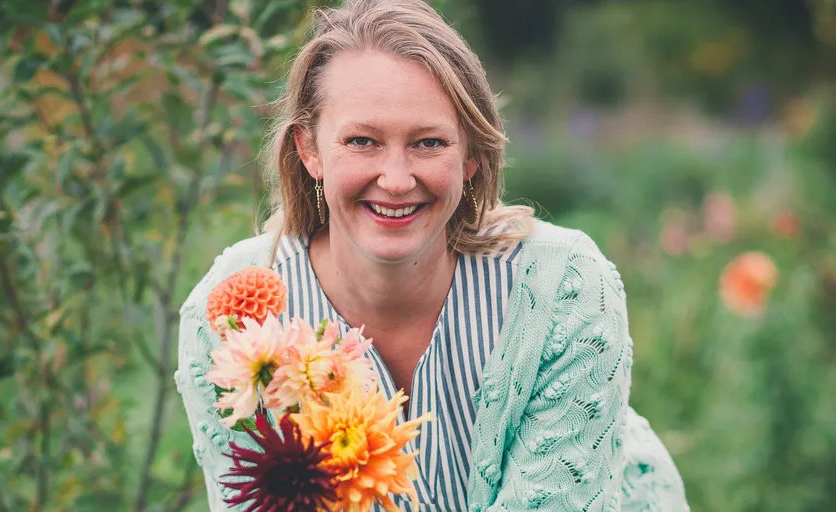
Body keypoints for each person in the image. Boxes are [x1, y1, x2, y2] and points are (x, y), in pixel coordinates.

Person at [175, 0, 689, 510]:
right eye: (361, 141)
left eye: (428, 143)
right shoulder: (233, 317)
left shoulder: (560, 288)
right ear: (310, 151)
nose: (396, 180)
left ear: (470, 155)